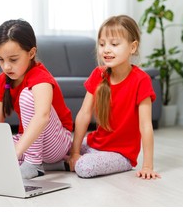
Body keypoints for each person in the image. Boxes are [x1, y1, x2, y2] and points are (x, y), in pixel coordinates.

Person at [67, 15, 161, 179]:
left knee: (84, 166)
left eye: (114, 44)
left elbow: (146, 126)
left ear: (133, 47)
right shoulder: (98, 74)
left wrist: (147, 166)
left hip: (120, 155)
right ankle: (62, 161)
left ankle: (68, 163)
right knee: (59, 148)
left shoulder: (141, 80)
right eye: (102, 44)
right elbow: (84, 114)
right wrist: (75, 152)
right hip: (94, 144)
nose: (106, 49)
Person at [0, 19, 72, 179]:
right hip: (33, 141)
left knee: (28, 96)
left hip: (58, 142)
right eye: (1, 59)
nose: (6, 66)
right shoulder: (2, 80)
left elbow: (42, 117)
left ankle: (33, 163)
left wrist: (17, 151)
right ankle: (54, 165)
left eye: (13, 60)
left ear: (31, 53)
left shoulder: (40, 78)